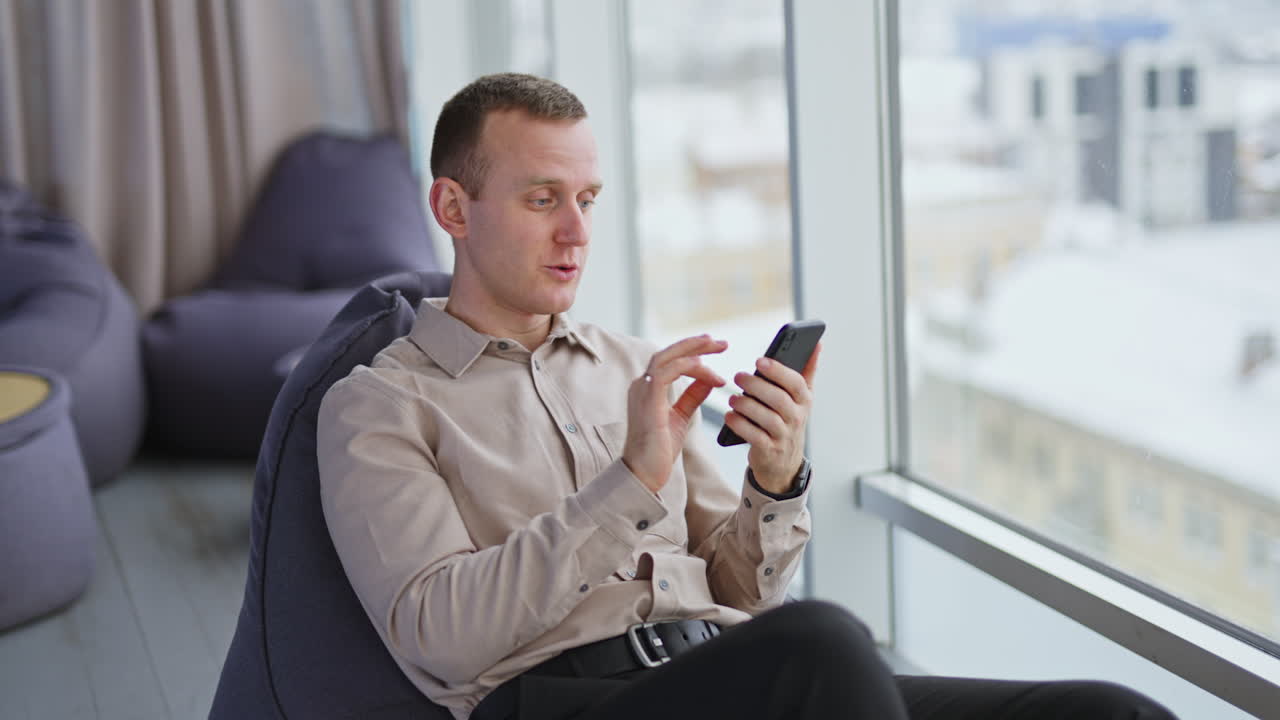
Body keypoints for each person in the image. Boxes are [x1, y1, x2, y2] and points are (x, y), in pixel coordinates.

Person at [316, 73, 1177, 720]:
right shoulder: (380, 405)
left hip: (727, 669)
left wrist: (775, 480)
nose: (577, 232)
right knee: (824, 641)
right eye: (543, 200)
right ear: (453, 207)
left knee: (1104, 712)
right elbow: (438, 634)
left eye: (586, 199)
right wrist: (630, 483)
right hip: (564, 704)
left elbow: (740, 590)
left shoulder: (632, 365)